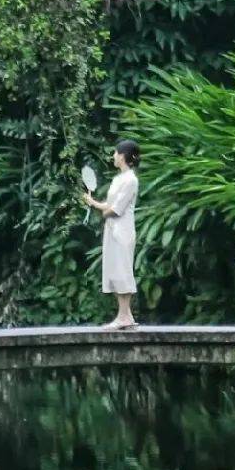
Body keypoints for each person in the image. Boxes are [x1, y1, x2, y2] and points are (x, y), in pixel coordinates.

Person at [83, 140, 140, 329]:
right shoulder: (117, 179)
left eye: (115, 153)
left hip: (123, 231)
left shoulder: (131, 179)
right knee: (114, 273)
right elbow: (108, 205)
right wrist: (93, 202)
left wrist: (98, 208)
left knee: (123, 272)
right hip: (111, 230)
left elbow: (115, 209)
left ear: (123, 156)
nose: (113, 156)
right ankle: (127, 316)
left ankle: (123, 316)